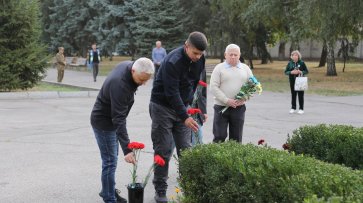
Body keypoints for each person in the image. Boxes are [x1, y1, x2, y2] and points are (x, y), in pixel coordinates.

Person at [149, 31, 208, 203]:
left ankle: (189, 185)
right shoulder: (173, 61)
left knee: (186, 150)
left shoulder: (200, 59)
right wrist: (185, 115)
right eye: (195, 53)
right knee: (164, 149)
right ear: (186, 46)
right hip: (162, 107)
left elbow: (195, 83)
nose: (198, 57)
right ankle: (160, 190)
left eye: (200, 54)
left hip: (183, 107)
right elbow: (171, 92)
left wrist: (188, 106)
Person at [91, 58, 154, 203]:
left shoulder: (130, 66)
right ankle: (109, 198)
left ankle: (107, 190)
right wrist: (127, 149)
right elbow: (118, 119)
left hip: (111, 121)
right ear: (133, 71)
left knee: (111, 159)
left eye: (146, 80)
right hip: (104, 123)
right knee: (110, 162)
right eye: (141, 79)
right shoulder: (120, 85)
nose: (143, 83)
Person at [210, 44, 254, 143]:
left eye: (235, 54)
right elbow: (213, 87)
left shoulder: (245, 68)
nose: (233, 57)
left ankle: (234, 158)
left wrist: (245, 97)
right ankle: (217, 158)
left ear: (239, 55)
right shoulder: (219, 68)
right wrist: (226, 100)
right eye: (231, 54)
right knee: (219, 136)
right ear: (225, 55)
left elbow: (253, 86)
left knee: (236, 138)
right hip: (221, 107)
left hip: (239, 108)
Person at [284, 50, 309, 114]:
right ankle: (293, 108)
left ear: (298, 56)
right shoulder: (290, 63)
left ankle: (301, 109)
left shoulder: (302, 63)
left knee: (300, 95)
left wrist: (301, 72)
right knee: (293, 94)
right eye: (293, 55)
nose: (295, 56)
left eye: (296, 55)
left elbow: (306, 71)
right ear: (291, 57)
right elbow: (286, 72)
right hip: (292, 81)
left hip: (300, 81)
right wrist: (291, 72)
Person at [191, 69, 207, 145]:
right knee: (173, 142)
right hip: (181, 110)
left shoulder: (201, 67)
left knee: (198, 139)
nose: (198, 57)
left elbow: (203, 92)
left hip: (196, 112)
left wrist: (204, 111)